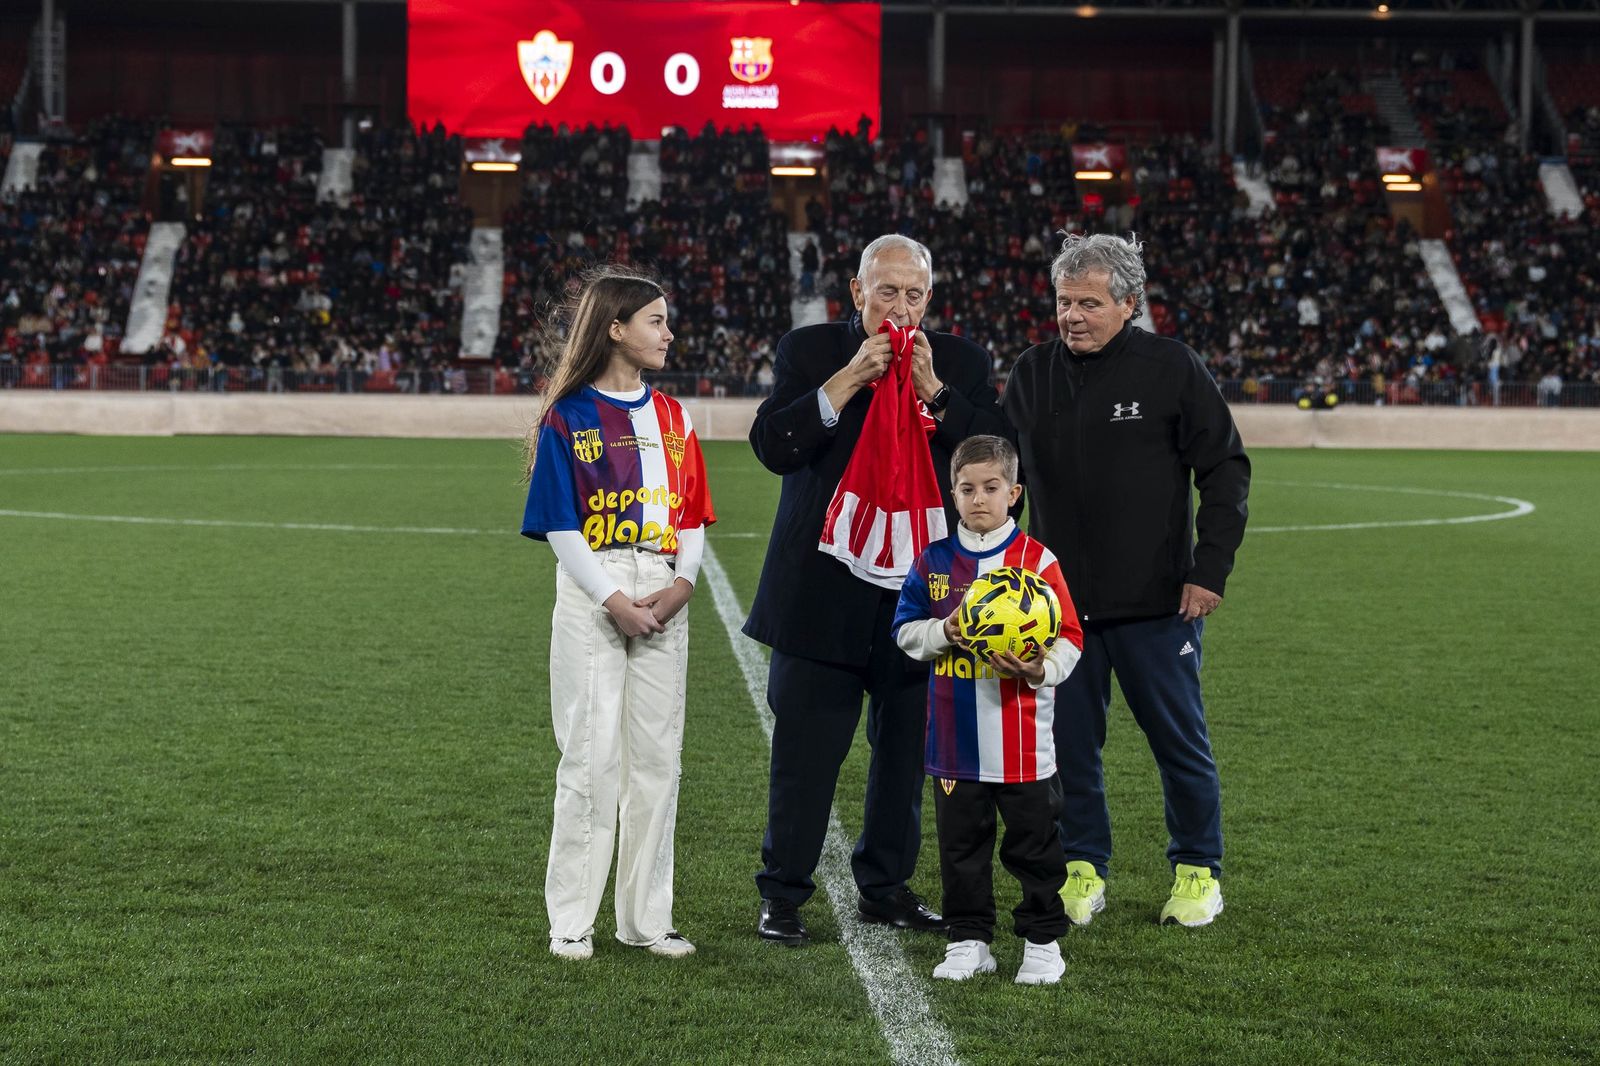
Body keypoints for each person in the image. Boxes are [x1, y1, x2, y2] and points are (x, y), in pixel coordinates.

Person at [744, 234, 1012, 945]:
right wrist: (846, 381)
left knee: (905, 759)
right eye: (885, 292)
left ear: (931, 297)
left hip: (922, 597)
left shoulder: (958, 362)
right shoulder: (808, 351)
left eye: (914, 294)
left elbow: (997, 456)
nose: (900, 307)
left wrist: (935, 395)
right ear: (856, 292)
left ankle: (886, 888)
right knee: (805, 756)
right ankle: (784, 895)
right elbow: (773, 445)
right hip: (819, 592)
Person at [1002, 232, 1250, 928]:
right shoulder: (1031, 372)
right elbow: (999, 471)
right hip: (1061, 612)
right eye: (1063, 301)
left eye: (1089, 303)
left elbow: (1225, 469)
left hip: (1158, 604)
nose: (1072, 316)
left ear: (1129, 304)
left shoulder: (1171, 368)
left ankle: (1198, 870)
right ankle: (1082, 867)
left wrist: (1210, 571)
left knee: (1179, 743)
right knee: (1072, 747)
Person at [519, 266, 716, 961]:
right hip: (595, 587)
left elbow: (691, 512)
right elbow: (559, 523)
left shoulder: (675, 417)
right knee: (591, 758)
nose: (669, 332)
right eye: (656, 320)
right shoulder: (568, 416)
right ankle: (571, 922)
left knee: (659, 762)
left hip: (663, 584)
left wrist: (685, 582)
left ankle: (645, 921)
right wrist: (611, 599)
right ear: (615, 328)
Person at [891, 435, 1085, 985]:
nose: (980, 498)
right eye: (967, 488)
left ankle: (1043, 940)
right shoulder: (934, 562)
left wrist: (1039, 669)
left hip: (1024, 743)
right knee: (961, 848)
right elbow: (904, 631)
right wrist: (944, 630)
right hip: (954, 743)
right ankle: (969, 938)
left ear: (1014, 493)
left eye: (991, 488)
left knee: (1036, 846)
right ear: (952, 494)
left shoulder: (1037, 560)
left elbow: (1070, 637)